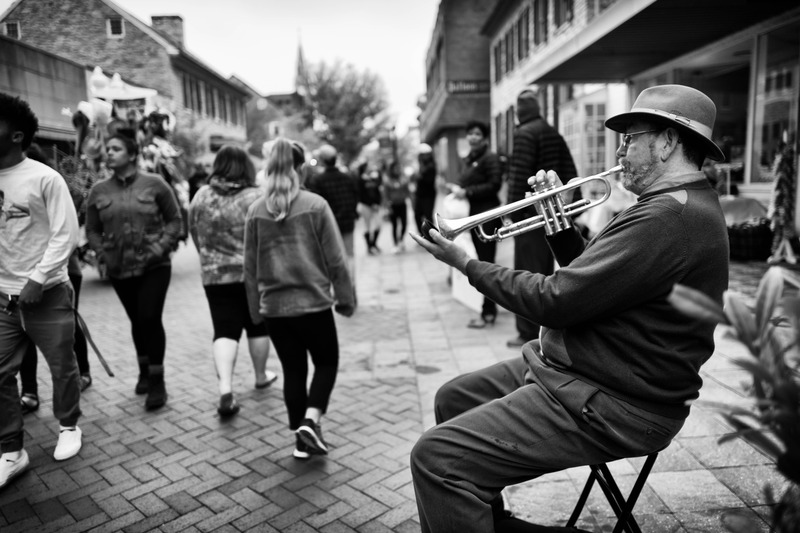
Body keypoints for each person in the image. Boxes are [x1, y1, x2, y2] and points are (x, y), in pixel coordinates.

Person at [409, 85, 729, 532]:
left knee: (435, 458)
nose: (620, 150)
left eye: (629, 138)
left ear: (667, 143)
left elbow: (556, 300)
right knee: (453, 398)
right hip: (587, 370)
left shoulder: (668, 218)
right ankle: (477, 517)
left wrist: (467, 263)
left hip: (615, 400)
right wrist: (558, 222)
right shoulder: (674, 207)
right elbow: (594, 285)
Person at [244, 138, 356, 460]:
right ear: (299, 167)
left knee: (293, 371)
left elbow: (249, 269)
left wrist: (255, 311)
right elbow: (336, 259)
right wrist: (345, 299)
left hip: (275, 309)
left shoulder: (255, 211)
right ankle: (310, 421)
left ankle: (300, 438)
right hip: (313, 305)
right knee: (326, 362)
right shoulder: (315, 205)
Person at [0, 93, 84, 490]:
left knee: (61, 365)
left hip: (46, 293)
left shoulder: (45, 178)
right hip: (2, 298)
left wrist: (37, 280)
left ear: (16, 135)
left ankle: (68, 425)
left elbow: (66, 235)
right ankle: (12, 451)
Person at [85, 133, 182, 410]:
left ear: (131, 154)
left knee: (150, 317)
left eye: (116, 149)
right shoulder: (99, 191)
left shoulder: (156, 184)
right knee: (137, 319)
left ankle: (157, 381)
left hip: (155, 266)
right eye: (108, 149)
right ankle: (143, 370)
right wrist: (102, 254)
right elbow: (92, 228)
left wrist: (161, 248)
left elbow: (175, 220)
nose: (109, 153)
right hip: (119, 267)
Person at [189, 145, 278, 417]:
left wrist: (209, 259)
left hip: (215, 274)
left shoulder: (201, 196)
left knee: (224, 330)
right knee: (257, 326)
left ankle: (226, 389)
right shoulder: (257, 196)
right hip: (253, 273)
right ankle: (261, 375)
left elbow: (194, 232)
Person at [17, 145, 93, 416]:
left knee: (69, 324)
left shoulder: (50, 183)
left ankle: (83, 372)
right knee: (22, 334)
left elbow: (67, 232)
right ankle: (29, 391)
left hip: (62, 270)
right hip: (20, 278)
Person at [505, 90, 578, 349]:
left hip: (530, 217)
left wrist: (510, 216)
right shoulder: (551, 131)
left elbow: (518, 176)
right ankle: (542, 328)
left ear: (519, 113)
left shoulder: (525, 133)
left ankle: (526, 333)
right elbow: (571, 174)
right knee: (545, 274)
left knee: (526, 275)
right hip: (553, 217)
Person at [449, 120, 503, 329]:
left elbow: (494, 184)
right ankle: (487, 307)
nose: (473, 137)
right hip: (474, 216)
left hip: (487, 217)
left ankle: (488, 312)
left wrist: (468, 192)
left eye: (477, 134)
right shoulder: (470, 158)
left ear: (485, 138)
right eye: (470, 133)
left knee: (486, 264)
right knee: (481, 262)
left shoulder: (490, 158)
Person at [307, 144, 359, 268]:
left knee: (331, 258)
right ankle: (351, 285)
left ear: (322, 160)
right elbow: (355, 198)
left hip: (329, 223)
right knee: (349, 255)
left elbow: (316, 205)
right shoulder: (347, 177)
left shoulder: (318, 180)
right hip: (347, 221)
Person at [383, 160, 411, 253]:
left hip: (402, 204)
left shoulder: (403, 178)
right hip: (393, 205)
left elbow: (407, 191)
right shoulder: (387, 180)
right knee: (394, 225)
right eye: (396, 168)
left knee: (404, 223)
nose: (397, 170)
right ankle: (395, 244)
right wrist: (387, 206)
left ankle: (401, 240)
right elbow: (385, 194)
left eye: (398, 168)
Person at [411, 144, 438, 236]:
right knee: (417, 215)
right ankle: (422, 233)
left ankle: (432, 235)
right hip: (419, 194)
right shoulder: (419, 165)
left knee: (428, 216)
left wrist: (420, 176)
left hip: (428, 195)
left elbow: (429, 180)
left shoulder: (430, 166)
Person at [358, 166, 384, 255]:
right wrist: (371, 204)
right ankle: (369, 246)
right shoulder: (360, 180)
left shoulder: (374, 179)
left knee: (379, 225)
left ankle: (373, 244)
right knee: (367, 226)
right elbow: (361, 194)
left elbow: (378, 192)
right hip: (366, 206)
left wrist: (377, 203)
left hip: (375, 206)